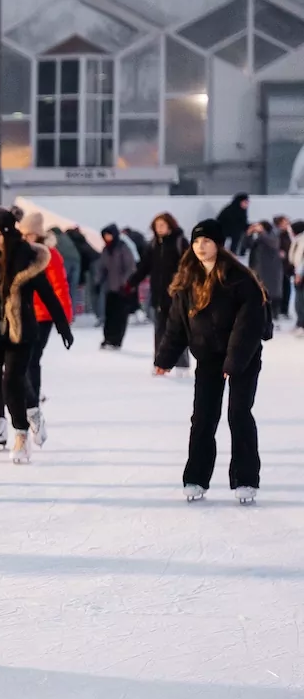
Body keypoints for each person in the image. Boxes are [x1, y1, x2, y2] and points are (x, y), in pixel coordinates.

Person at [155, 219, 268, 504]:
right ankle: (195, 478)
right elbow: (177, 324)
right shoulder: (188, 280)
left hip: (243, 356)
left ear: (218, 244)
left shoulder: (238, 279)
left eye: (206, 241)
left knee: (238, 414)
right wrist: (165, 358)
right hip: (207, 357)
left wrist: (233, 362)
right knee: (203, 418)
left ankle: (245, 479)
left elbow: (248, 325)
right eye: (196, 241)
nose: (200, 246)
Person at [0, 210, 73, 464]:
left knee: (12, 382)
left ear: (9, 233)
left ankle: (22, 434)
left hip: (21, 332)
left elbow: (47, 293)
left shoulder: (26, 258)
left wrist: (63, 326)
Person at [17, 211, 73, 446]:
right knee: (26, 360)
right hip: (25, 313)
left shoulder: (49, 254)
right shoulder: (22, 252)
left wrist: (64, 318)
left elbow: (59, 285)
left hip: (45, 315)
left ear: (37, 234)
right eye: (23, 233)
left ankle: (33, 401)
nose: (26, 237)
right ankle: (30, 398)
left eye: (29, 234)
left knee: (32, 358)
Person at [126, 213, 188, 373]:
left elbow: (189, 267)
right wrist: (131, 282)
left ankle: (181, 365)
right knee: (160, 330)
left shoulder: (180, 242)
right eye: (156, 226)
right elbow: (144, 267)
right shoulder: (153, 245)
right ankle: (160, 364)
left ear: (170, 225)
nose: (159, 228)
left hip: (177, 294)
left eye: (162, 225)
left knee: (178, 330)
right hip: (159, 295)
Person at [95, 225, 136, 349]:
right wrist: (98, 281)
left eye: (109, 235)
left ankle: (116, 340)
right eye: (105, 236)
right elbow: (102, 267)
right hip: (110, 288)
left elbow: (130, 267)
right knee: (109, 314)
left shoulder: (123, 248)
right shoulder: (106, 250)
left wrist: (125, 283)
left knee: (120, 315)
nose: (107, 238)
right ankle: (107, 338)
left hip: (123, 288)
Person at [241, 221, 283, 322]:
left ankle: (274, 315)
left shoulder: (271, 236)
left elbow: (273, 243)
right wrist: (248, 234)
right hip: (257, 268)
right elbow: (246, 245)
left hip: (270, 269)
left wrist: (262, 233)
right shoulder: (258, 238)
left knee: (271, 292)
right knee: (258, 292)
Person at [275, 215, 294, 318]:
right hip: (278, 266)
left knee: (287, 288)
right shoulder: (277, 235)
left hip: (287, 266)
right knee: (279, 289)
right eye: (285, 222)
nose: (287, 224)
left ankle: (284, 310)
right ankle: (278, 310)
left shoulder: (289, 234)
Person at [290, 220, 304, 335]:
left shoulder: (302, 240)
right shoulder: (299, 240)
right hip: (298, 272)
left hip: (301, 273)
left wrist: (299, 273)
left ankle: (301, 324)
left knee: (300, 299)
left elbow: (301, 259)